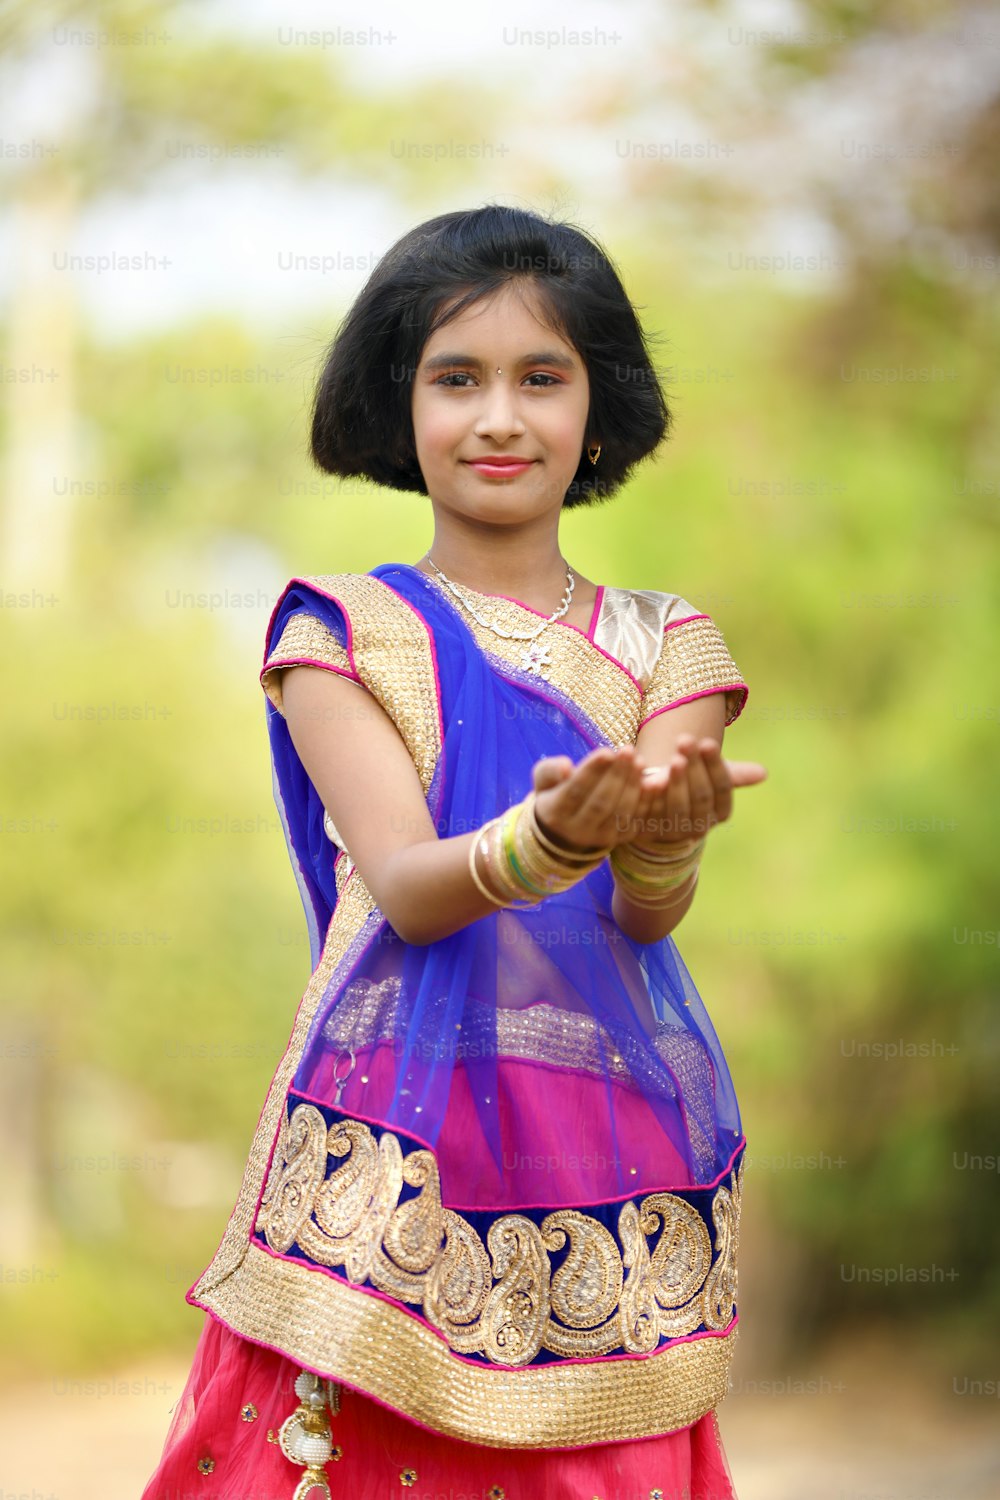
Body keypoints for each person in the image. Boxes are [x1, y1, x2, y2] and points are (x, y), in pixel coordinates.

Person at [141, 204, 767, 1500]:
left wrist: (658, 845)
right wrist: (546, 838)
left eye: (542, 378)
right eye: (456, 378)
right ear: (398, 403)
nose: (499, 417)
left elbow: (648, 923)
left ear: (599, 411)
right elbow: (415, 893)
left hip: (609, 1162)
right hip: (388, 1169)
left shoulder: (668, 644)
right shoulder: (340, 635)